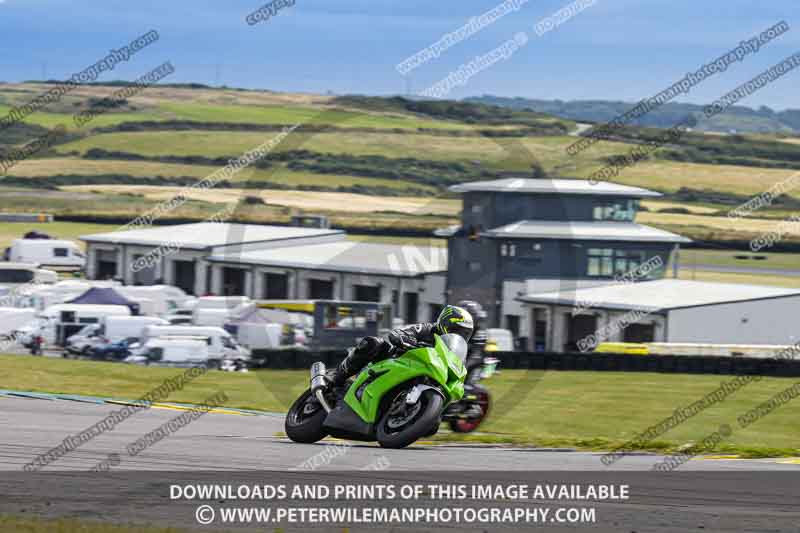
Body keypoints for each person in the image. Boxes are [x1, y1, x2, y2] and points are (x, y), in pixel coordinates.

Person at [327, 304, 474, 386]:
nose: (460, 335)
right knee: (373, 343)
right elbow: (398, 333)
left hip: (423, 375)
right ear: (446, 323)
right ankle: (338, 376)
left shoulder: (454, 350)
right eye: (457, 330)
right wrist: (408, 340)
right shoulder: (427, 329)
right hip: (396, 360)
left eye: (464, 333)